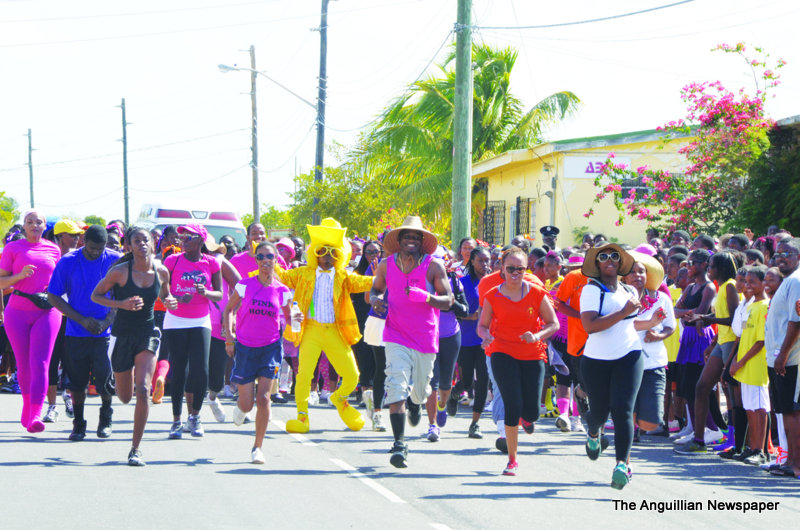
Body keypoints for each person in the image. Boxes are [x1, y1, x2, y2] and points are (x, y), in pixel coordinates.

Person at [369, 216, 453, 468]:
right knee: (395, 387)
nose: (411, 241)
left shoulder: (433, 267)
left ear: (422, 242)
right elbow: (375, 290)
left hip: (425, 338)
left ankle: (416, 403)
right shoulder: (385, 265)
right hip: (395, 335)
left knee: (419, 391)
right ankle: (399, 444)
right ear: (400, 240)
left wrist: (427, 297)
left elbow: (448, 300)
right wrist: (376, 300)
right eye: (407, 236)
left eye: (416, 237)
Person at [276, 218, 374, 434]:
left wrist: (381, 275)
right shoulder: (303, 274)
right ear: (315, 252)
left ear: (339, 255)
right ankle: (302, 416)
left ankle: (339, 398)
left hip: (334, 332)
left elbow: (364, 283)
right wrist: (268, 258)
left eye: (333, 253)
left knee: (352, 376)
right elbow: (281, 277)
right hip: (310, 330)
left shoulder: (344, 276)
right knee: (303, 375)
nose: (327, 257)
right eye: (323, 252)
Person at [579, 243, 664, 490]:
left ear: (620, 263)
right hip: (596, 360)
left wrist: (649, 322)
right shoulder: (591, 290)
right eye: (603, 256)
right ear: (596, 263)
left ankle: (621, 465)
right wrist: (625, 311)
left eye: (614, 256)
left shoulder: (629, 290)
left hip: (629, 356)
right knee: (599, 413)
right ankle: (593, 433)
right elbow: (590, 326)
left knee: (623, 410)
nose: (609, 260)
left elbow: (629, 324)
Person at [91, 226, 177, 465]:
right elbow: (96, 296)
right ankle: (120, 377)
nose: (142, 244)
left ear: (152, 243)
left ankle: (135, 449)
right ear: (128, 246)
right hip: (121, 334)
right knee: (125, 396)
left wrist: (169, 301)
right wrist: (122, 303)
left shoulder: (161, 271)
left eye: (145, 240)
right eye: (136, 240)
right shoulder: (119, 272)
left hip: (147, 333)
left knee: (143, 389)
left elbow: (166, 295)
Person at [477, 247, 559, 476]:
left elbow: (554, 323)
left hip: (532, 354)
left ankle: (526, 417)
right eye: (510, 268)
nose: (515, 272)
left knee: (532, 412)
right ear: (502, 269)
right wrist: (486, 337)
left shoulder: (537, 293)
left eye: (520, 269)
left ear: (526, 270)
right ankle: (512, 460)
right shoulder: (492, 295)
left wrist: (537, 336)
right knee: (512, 403)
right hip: (502, 352)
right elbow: (482, 326)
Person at [47, 225, 120, 441]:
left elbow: (123, 293)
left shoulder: (116, 260)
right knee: (77, 383)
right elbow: (53, 296)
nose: (95, 252)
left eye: (100, 248)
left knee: (105, 381)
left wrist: (107, 319)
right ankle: (78, 423)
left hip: (106, 333)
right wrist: (81, 320)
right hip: (76, 332)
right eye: (91, 248)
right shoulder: (68, 261)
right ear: (83, 242)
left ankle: (106, 417)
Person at [223, 241, 292, 464]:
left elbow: (290, 318)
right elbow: (228, 310)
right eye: (260, 257)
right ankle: (241, 409)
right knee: (248, 403)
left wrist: (296, 321)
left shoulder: (282, 290)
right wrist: (229, 338)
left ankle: (257, 447)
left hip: (270, 348)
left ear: (276, 260)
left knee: (263, 398)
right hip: (245, 347)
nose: (265, 261)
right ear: (256, 260)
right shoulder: (245, 285)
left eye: (269, 257)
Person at [0, 209, 62, 433]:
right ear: (24, 226)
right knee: (23, 363)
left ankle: (36, 413)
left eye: (38, 222)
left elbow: (60, 280)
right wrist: (19, 276)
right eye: (29, 222)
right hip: (17, 310)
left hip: (46, 311)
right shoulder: (12, 248)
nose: (34, 225)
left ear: (44, 226)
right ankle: (27, 408)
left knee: (41, 363)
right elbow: (1, 281)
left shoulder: (53, 249)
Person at [675, 251, 740, 454]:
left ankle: (737, 441)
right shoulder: (721, 288)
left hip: (731, 343)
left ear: (720, 268)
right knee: (701, 387)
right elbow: (720, 315)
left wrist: (707, 319)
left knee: (734, 395)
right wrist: (711, 338)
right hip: (720, 342)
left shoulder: (729, 285)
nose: (708, 269)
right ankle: (699, 439)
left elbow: (733, 320)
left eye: (711, 266)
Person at [163, 224, 223, 439]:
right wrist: (177, 298)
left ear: (201, 240)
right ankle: (176, 421)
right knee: (179, 371)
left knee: (202, 370)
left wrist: (205, 292)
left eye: (189, 236)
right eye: (182, 236)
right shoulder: (172, 261)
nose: (183, 240)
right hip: (176, 320)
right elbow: (162, 292)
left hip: (200, 320)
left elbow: (219, 294)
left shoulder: (212, 263)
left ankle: (195, 417)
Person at [625, 251, 675, 438]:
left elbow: (671, 326)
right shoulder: (618, 299)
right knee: (630, 404)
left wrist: (659, 334)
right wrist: (651, 323)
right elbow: (626, 323)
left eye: (641, 271)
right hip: (625, 360)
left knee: (651, 421)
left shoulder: (662, 299)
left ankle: (639, 425)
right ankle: (631, 434)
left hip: (653, 362)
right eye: (632, 272)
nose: (637, 275)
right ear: (624, 277)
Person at [765, 238, 800, 478]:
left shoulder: (796, 281)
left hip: (789, 359)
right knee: (785, 412)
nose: (781, 258)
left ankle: (795, 464)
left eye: (788, 253)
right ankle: (789, 461)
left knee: (792, 412)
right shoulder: (789, 281)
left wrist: (783, 354)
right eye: (778, 254)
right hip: (779, 358)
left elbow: (796, 321)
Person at [44, 219, 85, 423]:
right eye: (72, 235)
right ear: (60, 236)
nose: (77, 238)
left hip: (74, 317)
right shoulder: (49, 256)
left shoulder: (80, 257)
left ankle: (68, 397)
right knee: (52, 361)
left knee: (72, 362)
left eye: (78, 235)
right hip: (52, 316)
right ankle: (52, 407)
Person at [730, 265, 771, 465]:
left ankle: (760, 450)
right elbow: (744, 334)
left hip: (756, 364)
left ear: (764, 283)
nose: (747, 285)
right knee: (749, 407)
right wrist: (736, 360)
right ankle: (751, 447)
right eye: (746, 282)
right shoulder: (751, 305)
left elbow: (760, 341)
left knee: (760, 408)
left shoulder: (765, 306)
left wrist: (741, 361)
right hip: (744, 364)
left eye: (752, 282)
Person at [457, 246, 491, 439]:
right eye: (481, 261)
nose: (485, 265)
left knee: (483, 382)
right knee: (467, 381)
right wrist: (470, 316)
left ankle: (475, 423)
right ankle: (455, 393)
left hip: (486, 340)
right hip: (466, 338)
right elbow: (454, 310)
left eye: (487, 261)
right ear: (472, 261)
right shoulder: (462, 283)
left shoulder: (494, 283)